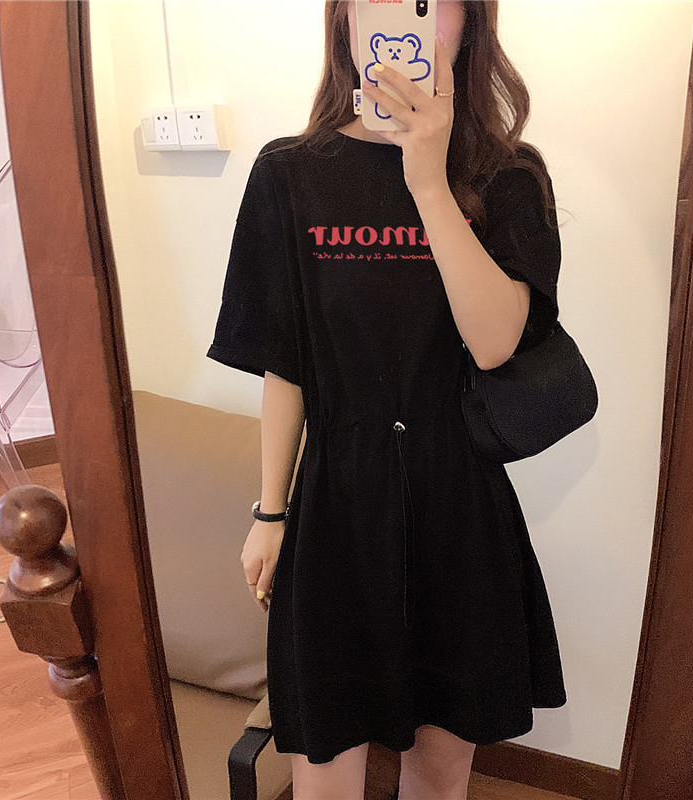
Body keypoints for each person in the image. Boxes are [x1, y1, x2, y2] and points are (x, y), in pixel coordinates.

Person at [206, 1, 567, 797]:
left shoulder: (509, 175)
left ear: (471, 23)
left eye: (430, 1)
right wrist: (271, 512)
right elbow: (286, 362)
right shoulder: (289, 173)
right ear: (344, 19)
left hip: (459, 508)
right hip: (335, 507)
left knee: (439, 772)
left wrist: (429, 181)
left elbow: (495, 343)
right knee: (323, 764)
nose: (405, 16)